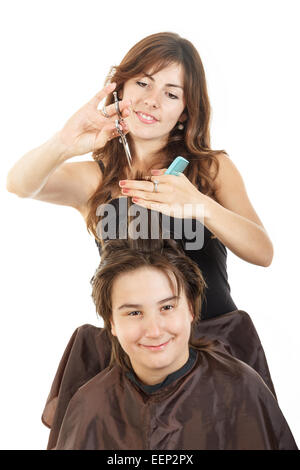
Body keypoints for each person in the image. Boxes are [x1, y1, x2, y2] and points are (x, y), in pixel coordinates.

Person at [6, 31, 273, 320]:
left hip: (213, 343)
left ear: (185, 111)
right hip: (137, 348)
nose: (152, 100)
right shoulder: (96, 179)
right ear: (121, 88)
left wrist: (199, 205)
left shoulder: (211, 167)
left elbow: (262, 253)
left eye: (171, 94)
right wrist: (64, 143)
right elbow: (18, 185)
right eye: (143, 83)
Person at [45, 237, 296, 450]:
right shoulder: (92, 404)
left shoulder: (241, 389)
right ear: (111, 322)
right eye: (134, 313)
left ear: (190, 309)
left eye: (167, 307)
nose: (154, 331)